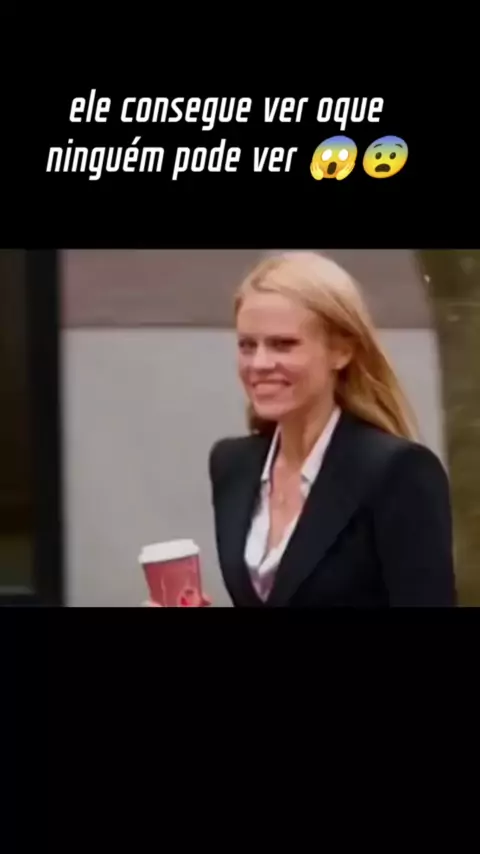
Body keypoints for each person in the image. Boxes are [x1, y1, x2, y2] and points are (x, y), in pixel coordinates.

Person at [208, 251, 456, 608]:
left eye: (283, 344)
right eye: (247, 345)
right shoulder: (232, 464)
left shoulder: (397, 472)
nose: (259, 363)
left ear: (341, 351)